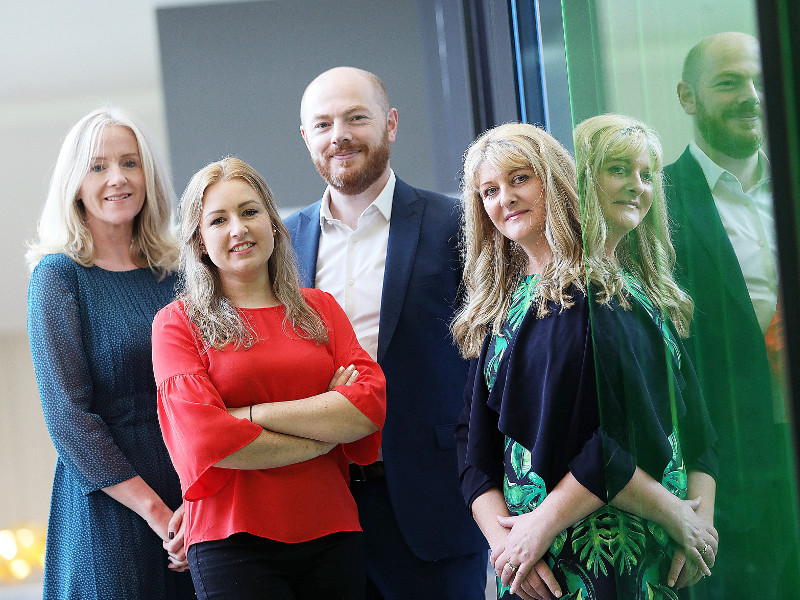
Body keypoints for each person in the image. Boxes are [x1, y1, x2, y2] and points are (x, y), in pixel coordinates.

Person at [453, 122, 717, 600]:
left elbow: (677, 435)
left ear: (557, 180)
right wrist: (507, 546)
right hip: (538, 565)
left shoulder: (606, 292)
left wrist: (697, 522)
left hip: (629, 559)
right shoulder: (498, 307)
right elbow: (474, 450)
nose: (505, 198)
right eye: (489, 190)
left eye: (520, 179)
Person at [284, 66, 487, 598]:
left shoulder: (458, 223)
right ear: (306, 138)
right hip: (319, 512)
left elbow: (494, 361)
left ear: (390, 124)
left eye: (356, 118)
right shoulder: (280, 245)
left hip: (435, 504)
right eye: (323, 124)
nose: (340, 136)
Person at [152, 157, 386, 600]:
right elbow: (204, 440)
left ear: (274, 224)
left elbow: (368, 405)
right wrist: (324, 429)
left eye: (249, 211)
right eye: (218, 220)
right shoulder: (178, 323)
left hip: (333, 530)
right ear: (200, 242)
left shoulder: (321, 309)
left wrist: (251, 414)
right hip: (231, 542)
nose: (238, 228)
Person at [26, 107, 195, 599]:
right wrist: (161, 516)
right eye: (97, 166)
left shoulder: (179, 275)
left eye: (130, 162)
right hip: (111, 513)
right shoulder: (58, 277)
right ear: (75, 183)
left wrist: (196, 505)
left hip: (194, 507)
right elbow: (67, 418)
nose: (117, 179)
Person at [664, 32, 800, 598]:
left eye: (757, 80)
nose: (751, 95)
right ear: (688, 98)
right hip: (732, 468)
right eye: (728, 82)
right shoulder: (658, 203)